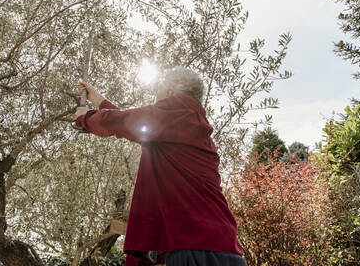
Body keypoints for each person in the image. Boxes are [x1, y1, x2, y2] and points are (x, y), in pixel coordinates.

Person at [74, 67, 247, 266]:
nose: (157, 100)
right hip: (224, 248)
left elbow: (124, 121)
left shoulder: (177, 110)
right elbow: (130, 121)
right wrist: (98, 99)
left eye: (159, 92)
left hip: (196, 247)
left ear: (171, 91)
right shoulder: (188, 122)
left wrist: (84, 119)